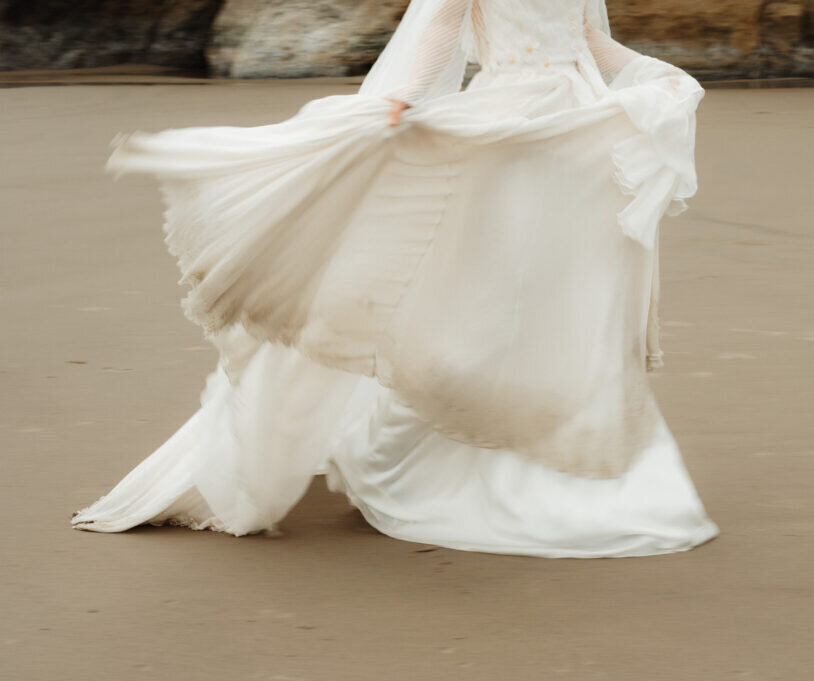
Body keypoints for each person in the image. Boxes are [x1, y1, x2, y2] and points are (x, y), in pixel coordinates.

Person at [72, 0, 719, 558]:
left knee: (570, 293)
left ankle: (570, 444)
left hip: (578, 128)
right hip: (510, 123)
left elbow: (586, 40)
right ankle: (471, 443)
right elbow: (440, 24)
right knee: (502, 287)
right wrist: (405, 96)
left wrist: (652, 74)